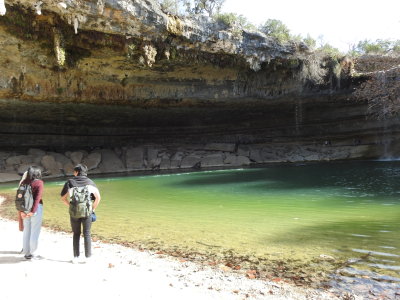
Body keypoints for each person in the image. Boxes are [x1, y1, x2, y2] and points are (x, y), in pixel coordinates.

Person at [60, 164, 100, 263]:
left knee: (76, 234)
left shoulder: (70, 182)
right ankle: (88, 257)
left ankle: (76, 257)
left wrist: (70, 206)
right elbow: (98, 198)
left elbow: (62, 198)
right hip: (87, 212)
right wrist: (92, 209)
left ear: (77, 172)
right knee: (87, 233)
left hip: (74, 212)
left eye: (74, 171)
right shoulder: (90, 182)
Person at [19, 166, 44, 260]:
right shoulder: (39, 183)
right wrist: (33, 211)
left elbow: (20, 198)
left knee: (27, 231)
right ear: (37, 174)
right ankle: (34, 254)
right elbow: (37, 198)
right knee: (35, 232)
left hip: (25, 209)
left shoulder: (23, 182)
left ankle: (27, 253)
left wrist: (22, 211)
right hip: (35, 209)